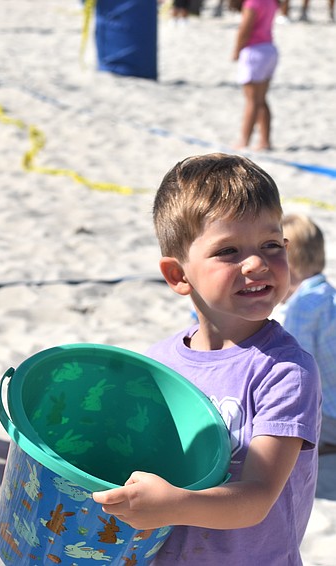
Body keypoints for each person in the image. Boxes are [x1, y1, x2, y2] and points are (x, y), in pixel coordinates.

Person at [93, 153, 321, 564]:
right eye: (229, 250)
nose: (256, 263)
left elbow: (256, 497)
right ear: (179, 275)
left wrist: (174, 503)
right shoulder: (158, 365)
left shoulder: (285, 370)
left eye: (271, 245)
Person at [281, 213, 336, 455]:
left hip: (330, 416)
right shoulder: (329, 295)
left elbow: (294, 367)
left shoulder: (303, 304)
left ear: (287, 265)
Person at [232, 0, 279, 150]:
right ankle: (265, 141)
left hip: (255, 50)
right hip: (269, 48)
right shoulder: (271, 1)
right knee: (261, 99)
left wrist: (236, 50)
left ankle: (244, 141)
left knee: (251, 100)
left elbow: (245, 29)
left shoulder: (252, 2)